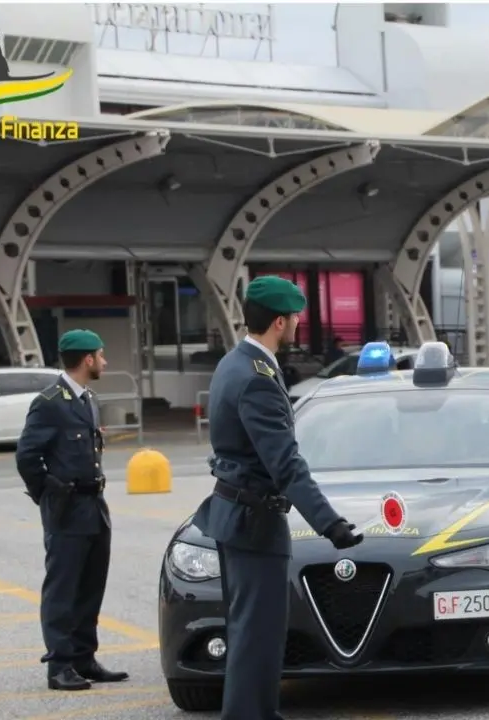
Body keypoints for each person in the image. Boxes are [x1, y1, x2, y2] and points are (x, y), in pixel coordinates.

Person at [192, 276, 364, 720]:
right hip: (254, 521)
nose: (297, 326)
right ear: (281, 321)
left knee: (252, 629)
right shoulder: (258, 379)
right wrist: (330, 523)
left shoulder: (235, 364)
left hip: (238, 513)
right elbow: (285, 463)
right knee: (257, 633)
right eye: (295, 320)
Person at [16, 329, 128, 691]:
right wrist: (48, 495)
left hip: (94, 505)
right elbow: (27, 457)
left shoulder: (87, 398)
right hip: (67, 509)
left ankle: (84, 657)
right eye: (101, 354)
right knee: (63, 588)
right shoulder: (50, 401)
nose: (105, 361)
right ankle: (59, 665)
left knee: (90, 585)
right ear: (87, 360)